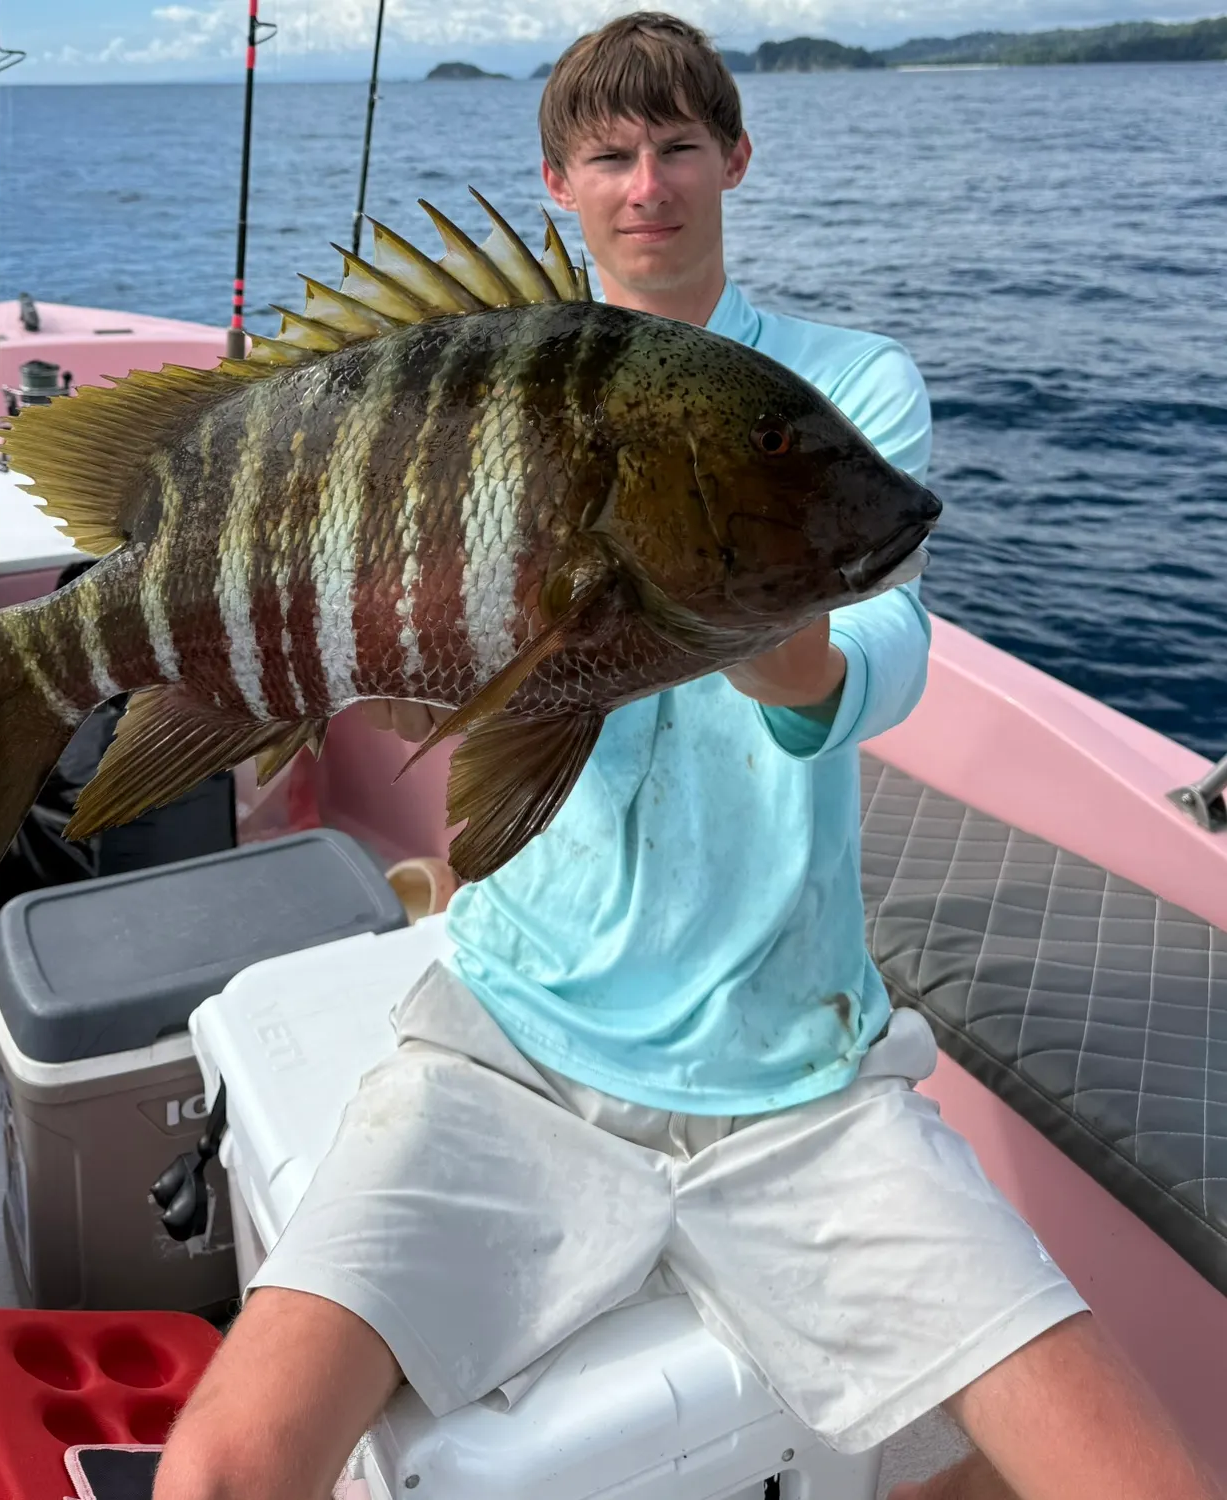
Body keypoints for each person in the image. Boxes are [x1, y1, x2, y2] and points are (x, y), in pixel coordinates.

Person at [154, 15, 1222, 1500]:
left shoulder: (846, 389)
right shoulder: (491, 395)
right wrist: (408, 655)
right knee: (217, 1471)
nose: (645, 183)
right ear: (558, 185)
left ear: (734, 158)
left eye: (675, 147)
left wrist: (720, 575)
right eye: (609, 154)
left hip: (793, 1074)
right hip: (508, 1052)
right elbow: (454, 699)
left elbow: (874, 656)